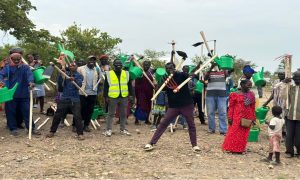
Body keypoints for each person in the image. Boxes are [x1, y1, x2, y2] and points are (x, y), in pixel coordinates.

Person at [144, 62, 200, 152]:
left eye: (171, 68)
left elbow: (190, 76)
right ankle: (151, 143)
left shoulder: (181, 75)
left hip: (187, 104)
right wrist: (158, 85)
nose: (169, 70)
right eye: (167, 68)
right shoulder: (165, 78)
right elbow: (159, 89)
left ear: (175, 68)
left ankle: (195, 146)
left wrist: (192, 75)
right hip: (173, 106)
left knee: (191, 125)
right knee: (163, 124)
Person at [0, 47, 40, 136]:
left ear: (21, 59)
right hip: (11, 95)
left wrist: (31, 82)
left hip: (24, 94)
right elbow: (1, 75)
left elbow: (30, 76)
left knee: (27, 112)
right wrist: (1, 81)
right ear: (11, 59)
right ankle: (13, 128)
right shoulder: (7, 68)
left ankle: (31, 128)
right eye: (15, 59)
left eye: (18, 59)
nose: (17, 61)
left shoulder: (25, 67)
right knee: (10, 112)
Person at [46, 62, 84, 140]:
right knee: (57, 115)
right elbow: (60, 85)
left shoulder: (79, 76)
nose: (72, 67)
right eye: (70, 66)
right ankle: (52, 131)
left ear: (76, 67)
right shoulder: (64, 74)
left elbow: (79, 86)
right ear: (69, 67)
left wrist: (74, 80)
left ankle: (80, 134)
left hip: (75, 99)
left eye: (74, 65)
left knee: (78, 116)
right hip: (64, 98)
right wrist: (61, 75)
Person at [222, 79, 256, 153]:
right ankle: (231, 148)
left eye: (251, 85)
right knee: (234, 132)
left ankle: (240, 149)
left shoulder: (251, 95)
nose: (250, 87)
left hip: (248, 116)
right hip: (237, 116)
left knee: (244, 133)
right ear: (242, 85)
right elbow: (231, 107)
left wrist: (253, 118)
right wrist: (230, 117)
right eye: (248, 85)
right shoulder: (234, 94)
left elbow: (253, 107)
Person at [103, 59, 133, 137]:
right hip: (112, 97)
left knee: (123, 114)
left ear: (122, 65)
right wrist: (105, 96)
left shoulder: (126, 73)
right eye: (117, 64)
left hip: (124, 96)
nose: (118, 66)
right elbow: (106, 86)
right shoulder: (109, 74)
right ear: (114, 65)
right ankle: (108, 130)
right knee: (111, 114)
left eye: (120, 64)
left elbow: (130, 85)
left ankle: (123, 129)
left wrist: (132, 95)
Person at [77, 55, 100, 132]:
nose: (92, 61)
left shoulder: (97, 69)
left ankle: (86, 125)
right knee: (81, 109)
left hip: (92, 93)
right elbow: (76, 78)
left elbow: (101, 79)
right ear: (87, 61)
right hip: (82, 92)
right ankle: (77, 124)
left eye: (93, 60)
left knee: (90, 110)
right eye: (90, 60)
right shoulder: (80, 68)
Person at [205, 62, 228, 135]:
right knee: (210, 112)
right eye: (214, 65)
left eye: (216, 65)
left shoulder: (223, 72)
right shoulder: (209, 72)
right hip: (210, 95)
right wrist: (211, 68)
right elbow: (205, 78)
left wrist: (221, 65)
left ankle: (223, 130)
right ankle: (211, 129)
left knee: (223, 113)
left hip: (222, 95)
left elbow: (227, 74)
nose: (215, 66)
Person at [285, 69, 300, 158]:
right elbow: (277, 89)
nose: (298, 80)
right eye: (296, 78)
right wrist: (284, 82)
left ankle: (298, 150)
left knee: (298, 137)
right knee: (289, 135)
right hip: (290, 116)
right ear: (293, 78)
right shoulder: (290, 87)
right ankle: (289, 151)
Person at [134, 60, 154, 125]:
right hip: (141, 93)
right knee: (139, 105)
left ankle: (147, 120)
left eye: (148, 65)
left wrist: (154, 86)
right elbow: (136, 83)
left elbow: (153, 82)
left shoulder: (150, 73)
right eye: (145, 65)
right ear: (143, 65)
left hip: (149, 92)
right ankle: (136, 120)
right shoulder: (140, 72)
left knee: (148, 106)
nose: (146, 66)